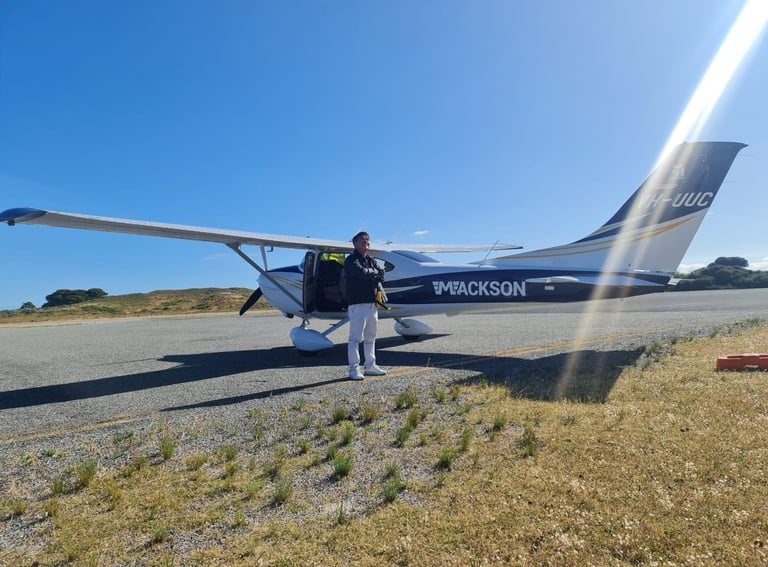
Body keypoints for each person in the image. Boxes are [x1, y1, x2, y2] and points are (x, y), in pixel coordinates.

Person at [344, 231, 387, 380]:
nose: (366, 242)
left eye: (367, 240)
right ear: (354, 244)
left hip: (372, 305)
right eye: (362, 240)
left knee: (371, 337)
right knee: (355, 338)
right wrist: (373, 273)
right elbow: (359, 272)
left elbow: (381, 273)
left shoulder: (371, 260)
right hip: (357, 304)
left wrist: (374, 273)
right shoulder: (351, 260)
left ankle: (370, 365)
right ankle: (354, 369)